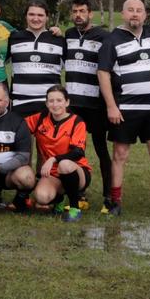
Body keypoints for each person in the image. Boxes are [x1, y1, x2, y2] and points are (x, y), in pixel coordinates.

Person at [97, 0, 150, 218]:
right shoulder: (112, 40)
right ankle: (116, 202)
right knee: (120, 154)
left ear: (145, 15)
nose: (135, 14)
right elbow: (103, 73)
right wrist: (111, 106)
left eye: (139, 10)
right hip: (125, 107)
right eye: (130, 10)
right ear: (123, 14)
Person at [60, 0, 113, 211]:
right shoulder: (69, 34)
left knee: (101, 149)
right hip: (73, 104)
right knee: (73, 149)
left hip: (96, 104)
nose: (78, 15)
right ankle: (77, 194)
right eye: (74, 11)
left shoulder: (104, 36)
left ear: (90, 13)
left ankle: (109, 196)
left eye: (82, 11)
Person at [28, 85, 88, 219]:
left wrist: (53, 159)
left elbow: (78, 152)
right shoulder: (40, 119)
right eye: (51, 101)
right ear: (46, 103)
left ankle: (74, 209)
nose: (55, 105)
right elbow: (16, 125)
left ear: (67, 102)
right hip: (52, 174)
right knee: (42, 197)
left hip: (76, 171)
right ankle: (59, 199)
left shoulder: (77, 122)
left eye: (59, 100)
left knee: (65, 164)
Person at [5, 0, 67, 120]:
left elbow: (70, 68)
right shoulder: (14, 38)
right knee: (22, 139)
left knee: (47, 139)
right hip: (20, 102)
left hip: (49, 103)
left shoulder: (59, 40)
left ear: (47, 17)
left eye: (40, 15)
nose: (35, 18)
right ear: (26, 16)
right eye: (31, 14)